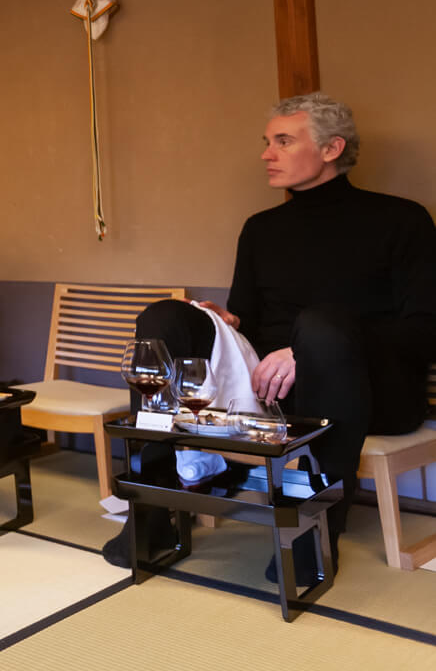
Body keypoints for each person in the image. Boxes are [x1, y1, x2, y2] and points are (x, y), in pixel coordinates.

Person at [104, 93, 436, 577]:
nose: (266, 154)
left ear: (331, 149)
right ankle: (153, 509)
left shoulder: (402, 220)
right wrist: (230, 323)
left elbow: (424, 331)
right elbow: (250, 320)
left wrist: (309, 350)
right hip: (269, 388)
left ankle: (313, 532)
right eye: (267, 142)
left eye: (283, 141)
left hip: (370, 390)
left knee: (322, 325)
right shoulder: (261, 228)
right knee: (165, 317)